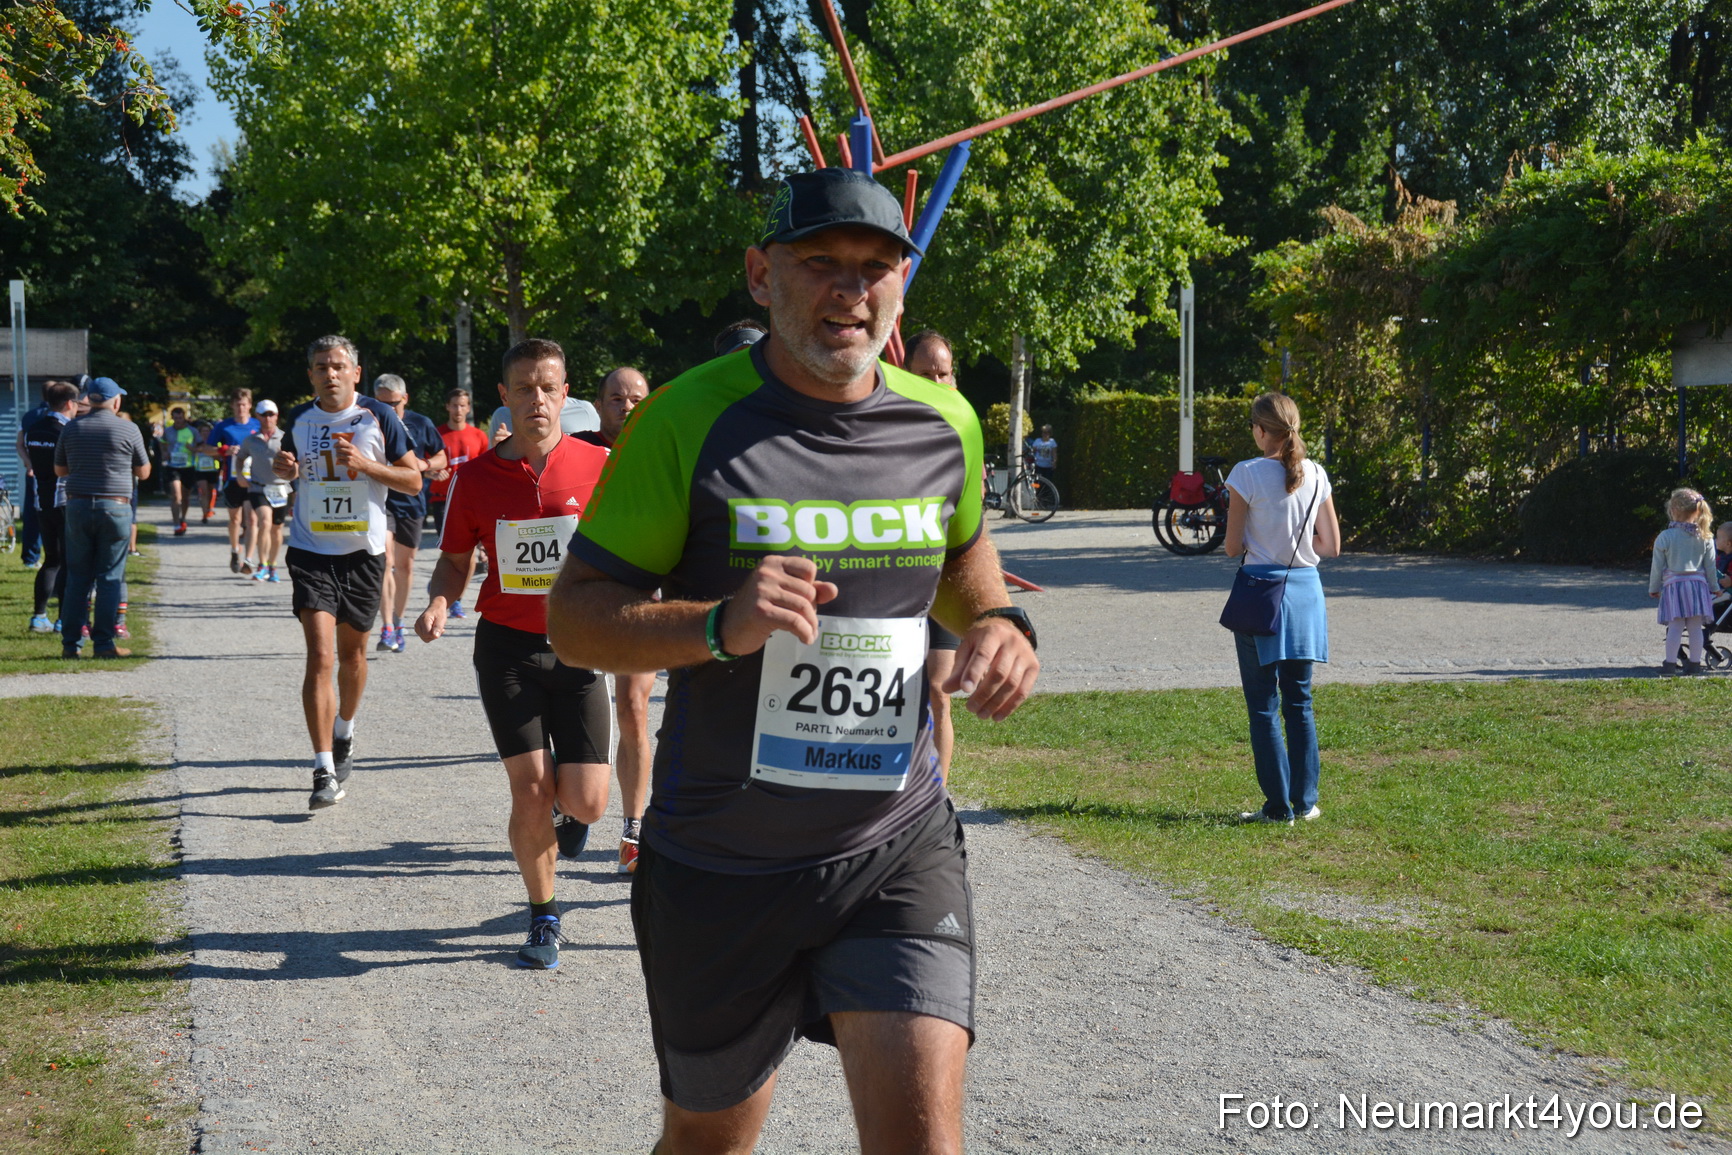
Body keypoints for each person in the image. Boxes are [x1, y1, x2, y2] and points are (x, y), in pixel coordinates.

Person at [546, 167, 1040, 1153]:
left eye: (874, 268)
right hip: (721, 865)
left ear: (901, 284)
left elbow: (962, 554)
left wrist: (997, 624)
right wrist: (720, 624)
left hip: (894, 841)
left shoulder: (945, 422)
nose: (848, 290)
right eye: (820, 264)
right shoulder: (688, 420)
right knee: (707, 1140)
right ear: (760, 274)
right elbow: (575, 620)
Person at [415, 338, 615, 968]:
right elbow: (452, 563)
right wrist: (441, 602)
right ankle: (544, 915)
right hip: (506, 646)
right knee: (530, 789)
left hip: (579, 646)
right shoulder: (474, 479)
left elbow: (631, 551)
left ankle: (569, 818)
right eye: (524, 388)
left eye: (548, 387)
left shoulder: (598, 465)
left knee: (587, 801)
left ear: (565, 393)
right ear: (504, 396)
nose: (537, 399)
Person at [272, 336, 421, 810]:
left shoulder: (380, 416)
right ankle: (322, 769)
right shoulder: (298, 418)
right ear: (310, 374)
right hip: (310, 551)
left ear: (356, 373)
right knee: (320, 656)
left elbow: (415, 478)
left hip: (363, 554)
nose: (330, 374)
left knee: (352, 658)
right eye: (321, 367)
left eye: (338, 366)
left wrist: (367, 465)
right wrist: (284, 468)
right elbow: (289, 470)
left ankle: (344, 733)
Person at [1223, 392, 1341, 825]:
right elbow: (1331, 545)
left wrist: (1264, 543)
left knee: (1262, 704)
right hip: (1306, 593)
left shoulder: (1246, 474)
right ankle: (1305, 801)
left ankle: (1278, 807)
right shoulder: (1316, 473)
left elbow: (1232, 545)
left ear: (1259, 430)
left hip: (1261, 593)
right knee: (1300, 700)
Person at [571, 365, 655, 873]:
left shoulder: (663, 450)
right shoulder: (574, 448)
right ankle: (572, 798)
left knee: (633, 705)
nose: (626, 407)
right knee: (569, 701)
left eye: (636, 399)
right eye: (616, 399)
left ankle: (634, 828)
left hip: (638, 594)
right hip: (582, 596)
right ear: (598, 404)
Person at [903, 329, 964, 784]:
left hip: (942, 581)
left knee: (939, 693)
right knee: (896, 697)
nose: (936, 382)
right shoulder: (881, 427)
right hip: (892, 582)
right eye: (925, 373)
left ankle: (937, 797)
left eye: (943, 373)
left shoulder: (965, 430)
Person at [54, 377, 150, 659]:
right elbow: (144, 472)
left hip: (78, 506)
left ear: (90, 399)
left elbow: (60, 470)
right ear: (116, 401)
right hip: (116, 508)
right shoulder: (129, 429)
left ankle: (70, 645)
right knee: (109, 577)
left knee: (77, 577)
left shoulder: (71, 428)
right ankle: (105, 644)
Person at [369, 375, 446, 653]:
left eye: (394, 403)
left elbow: (442, 457)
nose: (388, 410)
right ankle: (387, 627)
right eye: (381, 404)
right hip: (381, 500)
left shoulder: (421, 423)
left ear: (405, 399)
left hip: (412, 502)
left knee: (405, 566)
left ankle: (399, 623)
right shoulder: (367, 422)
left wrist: (422, 465)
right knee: (385, 562)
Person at [429, 386, 490, 619]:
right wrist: (432, 473)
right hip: (442, 499)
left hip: (471, 502)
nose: (458, 409)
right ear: (447, 407)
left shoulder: (478, 436)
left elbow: (486, 470)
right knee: (450, 551)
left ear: (468, 408)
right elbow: (425, 464)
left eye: (462, 405)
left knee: (471, 554)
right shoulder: (436, 434)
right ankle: (444, 590)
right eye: (454, 405)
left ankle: (457, 599)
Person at [24, 380, 78, 633]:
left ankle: (38, 617)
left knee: (51, 561)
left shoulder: (33, 428)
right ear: (69, 403)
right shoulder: (69, 431)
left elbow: (26, 456)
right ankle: (62, 620)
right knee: (68, 562)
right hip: (65, 501)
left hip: (40, 502)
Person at [1649, 488, 1717, 676]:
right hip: (1697, 587)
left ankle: (1670, 665)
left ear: (1673, 511)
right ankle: (1695, 665)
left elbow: (1657, 566)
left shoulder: (1665, 537)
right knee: (1695, 627)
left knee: (1676, 627)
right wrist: (1715, 587)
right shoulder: (1705, 537)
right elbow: (1710, 567)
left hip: (1675, 587)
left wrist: (1654, 587)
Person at [203, 389, 261, 572]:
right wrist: (224, 451)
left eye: (244, 404)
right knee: (235, 519)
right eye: (237, 405)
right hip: (232, 479)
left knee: (252, 519)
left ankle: (249, 559)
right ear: (232, 406)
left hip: (254, 479)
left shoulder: (258, 425)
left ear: (250, 405)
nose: (241, 408)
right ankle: (235, 550)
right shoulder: (224, 427)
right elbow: (207, 449)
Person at [235, 399, 292, 582]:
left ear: (277, 416)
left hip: (281, 489)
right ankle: (262, 565)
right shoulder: (251, 440)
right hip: (258, 488)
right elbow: (240, 458)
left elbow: (297, 461)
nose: (268, 418)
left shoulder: (285, 438)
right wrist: (240, 475)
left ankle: (273, 566)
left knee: (277, 529)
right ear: (257, 416)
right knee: (264, 522)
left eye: (271, 414)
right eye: (264, 414)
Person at [13, 382, 49, 568]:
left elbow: (19, 443)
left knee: (32, 515)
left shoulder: (28, 416)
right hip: (54, 473)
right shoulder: (59, 417)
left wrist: (29, 462)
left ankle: (30, 557)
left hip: (33, 472)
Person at [161, 406, 202, 535]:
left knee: (185, 498)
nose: (178, 420)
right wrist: (164, 452)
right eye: (175, 418)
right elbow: (162, 442)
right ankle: (176, 525)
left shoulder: (193, 431)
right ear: (172, 418)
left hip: (188, 466)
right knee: (176, 496)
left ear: (184, 417)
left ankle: (183, 518)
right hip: (173, 467)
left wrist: (193, 449)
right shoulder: (168, 431)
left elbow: (200, 446)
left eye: (180, 417)